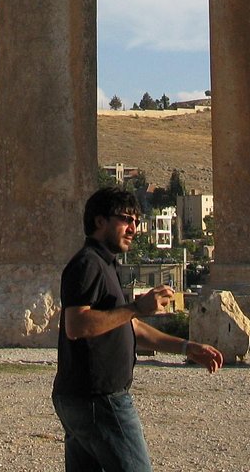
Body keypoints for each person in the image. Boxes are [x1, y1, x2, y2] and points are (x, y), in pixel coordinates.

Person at [52, 186, 223, 471]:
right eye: (125, 219)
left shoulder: (105, 265)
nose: (133, 228)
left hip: (81, 398)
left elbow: (130, 327)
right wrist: (136, 307)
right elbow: (77, 325)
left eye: (136, 221)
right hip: (100, 399)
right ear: (99, 221)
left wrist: (186, 347)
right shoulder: (88, 264)